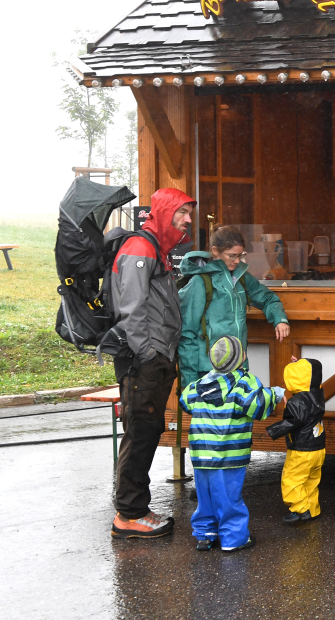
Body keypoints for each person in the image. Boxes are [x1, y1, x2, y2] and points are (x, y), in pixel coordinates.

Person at [110, 187, 195, 539]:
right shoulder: (140, 249)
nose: (187, 220)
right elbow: (130, 310)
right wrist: (150, 354)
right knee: (141, 431)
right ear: (163, 212)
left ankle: (135, 509)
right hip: (145, 361)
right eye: (181, 213)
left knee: (146, 430)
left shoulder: (156, 249)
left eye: (189, 213)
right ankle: (128, 515)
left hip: (156, 358)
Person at [179, 335, 283, 551]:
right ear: (242, 358)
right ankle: (233, 539)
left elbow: (185, 401)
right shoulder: (244, 382)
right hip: (229, 455)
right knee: (228, 497)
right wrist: (275, 394)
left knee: (205, 497)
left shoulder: (199, 384)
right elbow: (258, 407)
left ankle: (205, 534)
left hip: (201, 454)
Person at [177, 226, 291, 388]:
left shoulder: (241, 277)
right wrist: (189, 383)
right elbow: (187, 335)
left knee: (239, 413)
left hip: (238, 368)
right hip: (208, 372)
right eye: (232, 256)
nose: (237, 261)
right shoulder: (200, 282)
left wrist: (279, 319)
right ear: (215, 251)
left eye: (240, 255)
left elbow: (268, 298)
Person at [266, 357, 326, 523]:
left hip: (302, 450)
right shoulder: (318, 393)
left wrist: (272, 431)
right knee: (311, 481)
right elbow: (312, 374)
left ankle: (300, 509)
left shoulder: (296, 401)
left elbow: (291, 422)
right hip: (319, 448)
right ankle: (313, 509)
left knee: (291, 480)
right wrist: (302, 363)